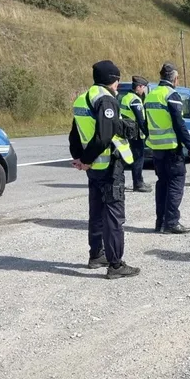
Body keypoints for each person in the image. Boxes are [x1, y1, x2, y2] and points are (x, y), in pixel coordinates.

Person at [68, 60, 140, 279]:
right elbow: (104, 136)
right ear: (112, 80)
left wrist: (79, 158)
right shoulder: (106, 99)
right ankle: (116, 265)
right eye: (117, 79)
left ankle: (96, 255)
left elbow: (74, 133)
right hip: (109, 166)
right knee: (114, 216)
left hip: (94, 168)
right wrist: (87, 159)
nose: (118, 84)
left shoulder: (83, 98)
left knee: (96, 212)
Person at [145, 62, 190, 234]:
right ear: (175, 78)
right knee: (176, 184)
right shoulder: (172, 95)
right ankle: (172, 222)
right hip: (172, 148)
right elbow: (179, 123)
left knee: (162, 185)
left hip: (157, 148)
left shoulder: (151, 95)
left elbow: (146, 123)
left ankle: (160, 222)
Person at [120, 76, 151, 192]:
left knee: (127, 158)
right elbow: (140, 120)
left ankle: (136, 181)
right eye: (143, 88)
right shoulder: (135, 100)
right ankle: (138, 184)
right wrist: (148, 133)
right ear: (138, 87)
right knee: (138, 158)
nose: (143, 90)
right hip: (135, 133)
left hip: (126, 131)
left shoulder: (125, 97)